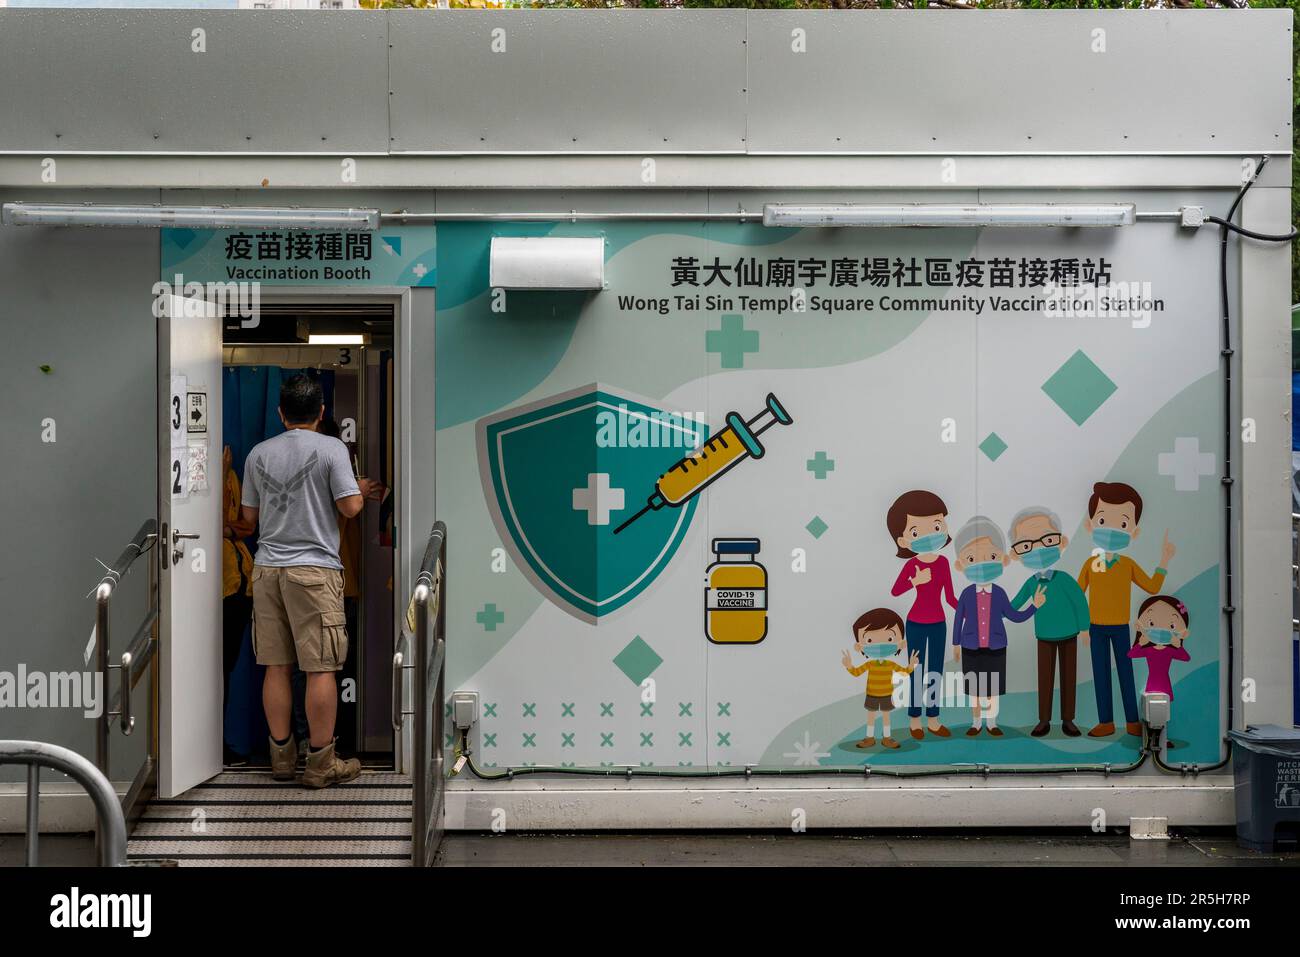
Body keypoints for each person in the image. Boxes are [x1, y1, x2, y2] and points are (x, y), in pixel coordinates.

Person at [240, 374, 380, 788]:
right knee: (321, 669)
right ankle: (320, 765)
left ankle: (281, 760)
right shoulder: (332, 448)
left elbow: (249, 520)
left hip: (266, 570)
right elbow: (352, 507)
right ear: (321, 412)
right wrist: (361, 486)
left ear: (280, 413)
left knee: (276, 667)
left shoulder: (258, 454)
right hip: (315, 572)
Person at [1076, 481, 1175, 738]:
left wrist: (1164, 560)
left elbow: (1152, 586)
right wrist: (1081, 627)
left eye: (1121, 524)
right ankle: (1105, 722)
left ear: (1134, 531)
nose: (1111, 529)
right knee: (1101, 675)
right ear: (1090, 526)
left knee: (1125, 673)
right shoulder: (1090, 564)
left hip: (1121, 627)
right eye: (1102, 521)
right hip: (1095, 628)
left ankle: (1132, 721)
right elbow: (1078, 595)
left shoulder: (1127, 564)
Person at [951, 516, 1044, 736]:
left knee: (992, 688)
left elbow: (1014, 616)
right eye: (972, 558)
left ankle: (991, 722)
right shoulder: (966, 594)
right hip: (970, 647)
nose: (982, 565)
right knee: (974, 689)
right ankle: (975, 723)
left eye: (991, 556)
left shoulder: (1000, 594)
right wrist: (956, 643)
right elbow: (958, 619)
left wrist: (1034, 606)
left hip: (996, 647)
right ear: (961, 564)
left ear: (1002, 560)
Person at [1008, 506, 1091, 738]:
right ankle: (1043, 720)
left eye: (1047, 539)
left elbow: (1080, 603)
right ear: (1017, 553)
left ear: (1061, 542)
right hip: (1043, 635)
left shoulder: (1064, 580)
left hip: (1069, 634)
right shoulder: (1031, 584)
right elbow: (1014, 605)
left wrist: (1084, 628)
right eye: (1027, 545)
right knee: (1045, 679)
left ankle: (1068, 720)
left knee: (1068, 677)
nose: (1038, 549)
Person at [886, 489, 957, 740]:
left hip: (939, 623)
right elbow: (896, 591)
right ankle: (915, 720)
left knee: (935, 671)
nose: (929, 535)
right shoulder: (911, 564)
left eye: (936, 526)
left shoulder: (943, 563)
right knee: (916, 670)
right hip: (915, 623)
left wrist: (966, 610)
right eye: (917, 531)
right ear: (904, 541)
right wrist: (914, 581)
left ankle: (934, 719)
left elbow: (949, 597)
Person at [221, 444, 257, 765]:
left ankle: (218, 743)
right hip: (215, 586)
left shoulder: (233, 475)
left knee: (226, 667)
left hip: (239, 587)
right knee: (212, 667)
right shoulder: (218, 475)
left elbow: (248, 525)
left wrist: (230, 529)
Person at [841, 608, 919, 751]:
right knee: (871, 716)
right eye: (869, 640)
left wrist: (911, 665)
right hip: (871, 694)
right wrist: (849, 666)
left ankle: (887, 738)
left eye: (890, 639)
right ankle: (869, 738)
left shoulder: (890, 664)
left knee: (885, 716)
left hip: (886, 695)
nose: (880, 644)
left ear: (900, 642)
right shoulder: (870, 664)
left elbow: (903, 672)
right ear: (859, 646)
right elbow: (857, 672)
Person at [1128, 595, 1191, 747]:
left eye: (1171, 626)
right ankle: (1150, 738)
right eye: (1151, 622)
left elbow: (1185, 657)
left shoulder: (1169, 651)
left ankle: (1163, 738)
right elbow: (1131, 654)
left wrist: (1178, 645)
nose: (1160, 630)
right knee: (1154, 712)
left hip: (1164, 683)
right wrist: (1140, 643)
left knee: (1163, 712)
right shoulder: (1148, 649)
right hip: (1152, 683)